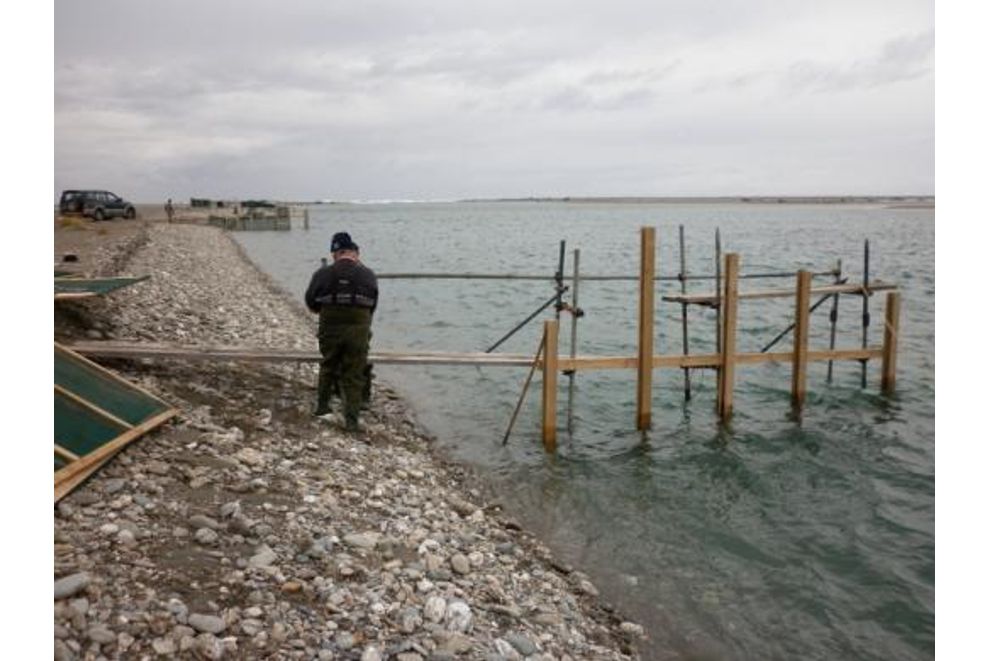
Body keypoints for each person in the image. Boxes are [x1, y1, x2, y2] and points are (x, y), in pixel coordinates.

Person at [304, 232, 378, 431]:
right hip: (358, 329)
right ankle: (352, 421)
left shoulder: (322, 274)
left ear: (335, 253)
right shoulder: (368, 274)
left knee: (328, 365)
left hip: (330, 327)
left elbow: (310, 302)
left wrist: (327, 308)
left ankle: (322, 408)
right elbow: (372, 307)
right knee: (354, 373)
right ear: (355, 253)